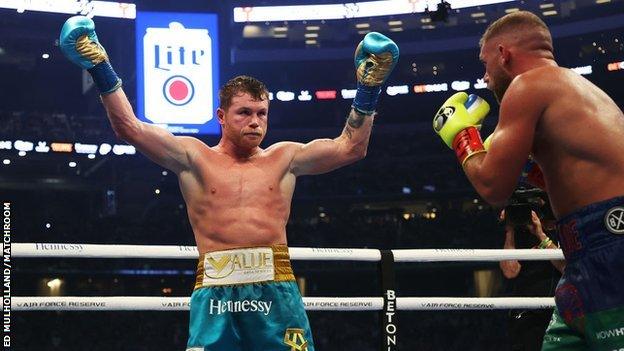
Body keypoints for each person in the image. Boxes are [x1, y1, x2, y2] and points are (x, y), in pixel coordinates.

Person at [59, 16, 399, 351]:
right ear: (221, 116)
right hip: (215, 289)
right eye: (244, 113)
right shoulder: (193, 157)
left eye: (261, 113)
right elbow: (129, 128)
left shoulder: (285, 158)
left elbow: (350, 148)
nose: (255, 122)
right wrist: (98, 66)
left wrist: (369, 89)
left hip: (274, 286)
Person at [432, 10, 624, 350]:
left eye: (486, 63)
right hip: (589, 247)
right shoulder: (578, 89)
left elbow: (492, 188)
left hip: (609, 242)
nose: (485, 78)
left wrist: (463, 136)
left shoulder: (527, 86)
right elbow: (578, 179)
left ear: (504, 54)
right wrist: (531, 170)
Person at [499, 209, 564, 351]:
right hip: (527, 314)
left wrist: (540, 235)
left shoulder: (564, 228)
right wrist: (510, 230)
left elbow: (564, 267)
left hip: (560, 312)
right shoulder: (517, 234)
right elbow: (510, 271)